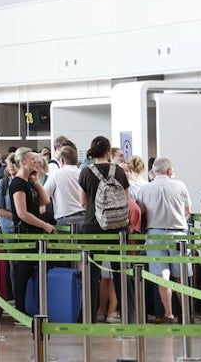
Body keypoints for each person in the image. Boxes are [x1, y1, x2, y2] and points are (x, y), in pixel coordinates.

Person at [79, 136, 129, 324]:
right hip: (118, 227)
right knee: (121, 272)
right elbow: (126, 199)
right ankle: (126, 314)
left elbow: (83, 202)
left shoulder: (85, 172)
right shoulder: (119, 171)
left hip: (93, 225)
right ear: (109, 151)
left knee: (92, 273)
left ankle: (90, 316)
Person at [137, 156, 192, 323]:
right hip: (179, 235)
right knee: (180, 276)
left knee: (162, 276)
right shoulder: (180, 185)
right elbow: (187, 211)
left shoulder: (145, 189)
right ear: (169, 170)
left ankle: (168, 314)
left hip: (154, 234)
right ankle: (186, 314)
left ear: (154, 172)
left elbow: (141, 213)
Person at [10, 148, 55, 315]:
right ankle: (20, 312)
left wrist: (35, 181)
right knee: (23, 273)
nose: (34, 163)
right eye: (31, 160)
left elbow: (45, 200)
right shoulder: (18, 184)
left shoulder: (29, 183)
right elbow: (22, 213)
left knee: (39, 269)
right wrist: (44, 225)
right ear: (22, 162)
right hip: (26, 233)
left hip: (36, 232)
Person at [45, 143, 86, 230]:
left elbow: (45, 195)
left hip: (65, 219)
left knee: (67, 244)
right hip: (84, 218)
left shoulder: (56, 174)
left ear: (62, 160)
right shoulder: (83, 173)